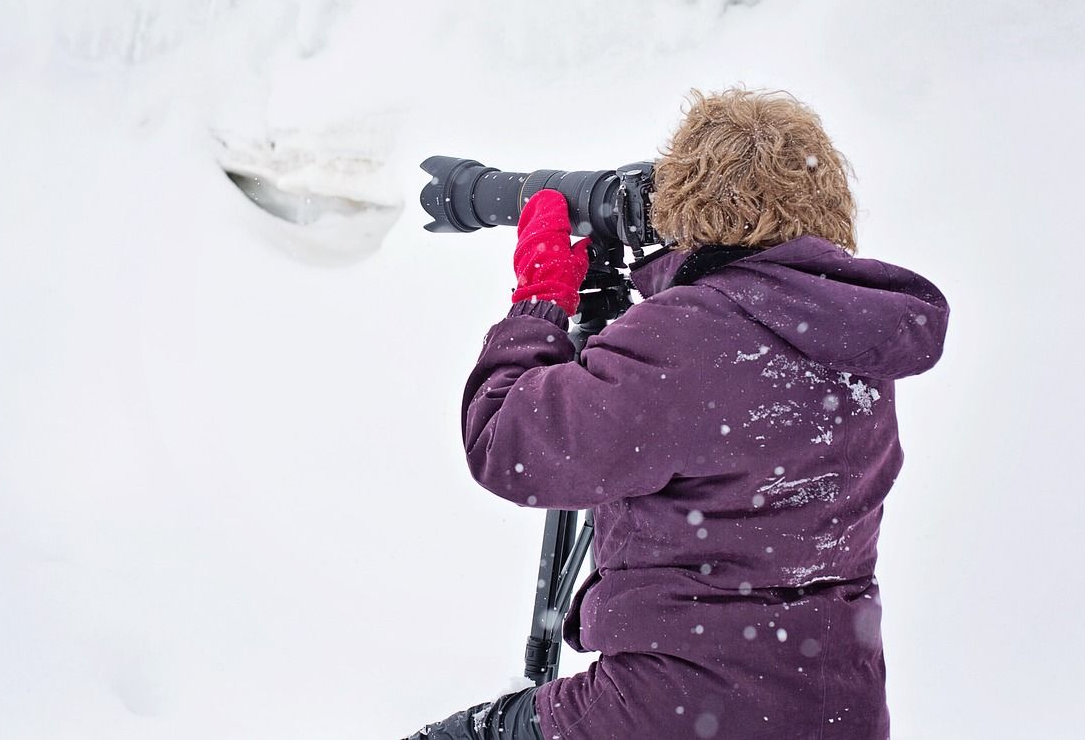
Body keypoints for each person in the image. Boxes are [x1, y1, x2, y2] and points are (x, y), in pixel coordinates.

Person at [405, 88, 949, 739]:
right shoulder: (858, 342)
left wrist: (539, 302)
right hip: (837, 709)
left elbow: (506, 443)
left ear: (691, 205)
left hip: (677, 711)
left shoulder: (687, 338)